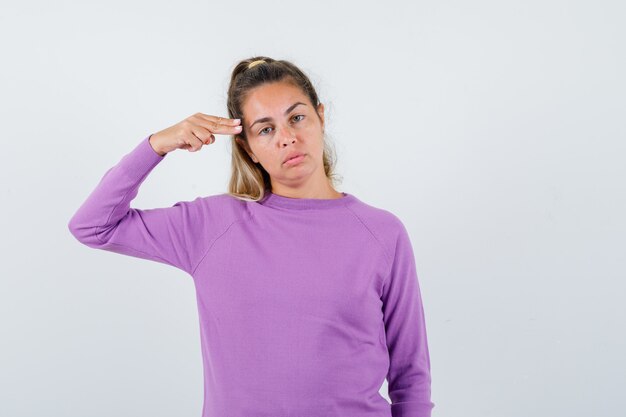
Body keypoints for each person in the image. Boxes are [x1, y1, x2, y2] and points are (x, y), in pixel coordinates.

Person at [67, 56, 435, 417]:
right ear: (248, 148)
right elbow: (94, 226)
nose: (288, 138)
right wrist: (157, 145)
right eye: (266, 129)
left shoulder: (382, 233)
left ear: (321, 117)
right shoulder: (211, 225)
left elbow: (411, 376)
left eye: (297, 117)